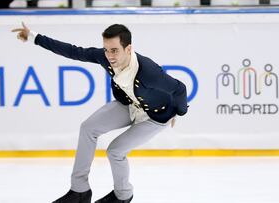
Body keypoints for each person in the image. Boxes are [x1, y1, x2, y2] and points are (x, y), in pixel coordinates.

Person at [12, 22, 188, 203]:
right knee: (88, 128)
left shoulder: (149, 72)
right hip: (129, 105)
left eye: (114, 50)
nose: (109, 56)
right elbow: (74, 51)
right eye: (106, 50)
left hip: (154, 117)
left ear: (128, 49)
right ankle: (80, 191)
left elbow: (179, 89)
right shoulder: (105, 57)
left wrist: (179, 112)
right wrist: (34, 37)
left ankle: (123, 195)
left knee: (115, 151)